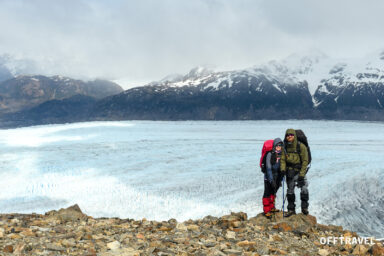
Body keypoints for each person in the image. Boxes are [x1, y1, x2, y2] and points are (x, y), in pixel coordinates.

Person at [280, 129, 309, 217]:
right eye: (288, 135)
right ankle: (291, 209)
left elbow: (305, 161)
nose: (289, 136)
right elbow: (282, 160)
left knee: (304, 188)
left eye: (291, 134)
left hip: (300, 171)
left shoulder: (301, 146)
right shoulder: (284, 147)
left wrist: (302, 174)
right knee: (290, 191)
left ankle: (304, 208)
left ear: (294, 136)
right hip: (289, 172)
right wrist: (283, 169)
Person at [262, 138, 284, 218]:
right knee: (267, 193)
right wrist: (271, 180)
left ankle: (272, 207)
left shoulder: (282, 154)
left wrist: (281, 176)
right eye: (277, 145)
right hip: (268, 177)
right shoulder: (270, 154)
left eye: (280, 145)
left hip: (277, 177)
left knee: (273, 192)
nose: (279, 147)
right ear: (274, 146)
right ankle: (266, 210)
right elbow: (268, 168)